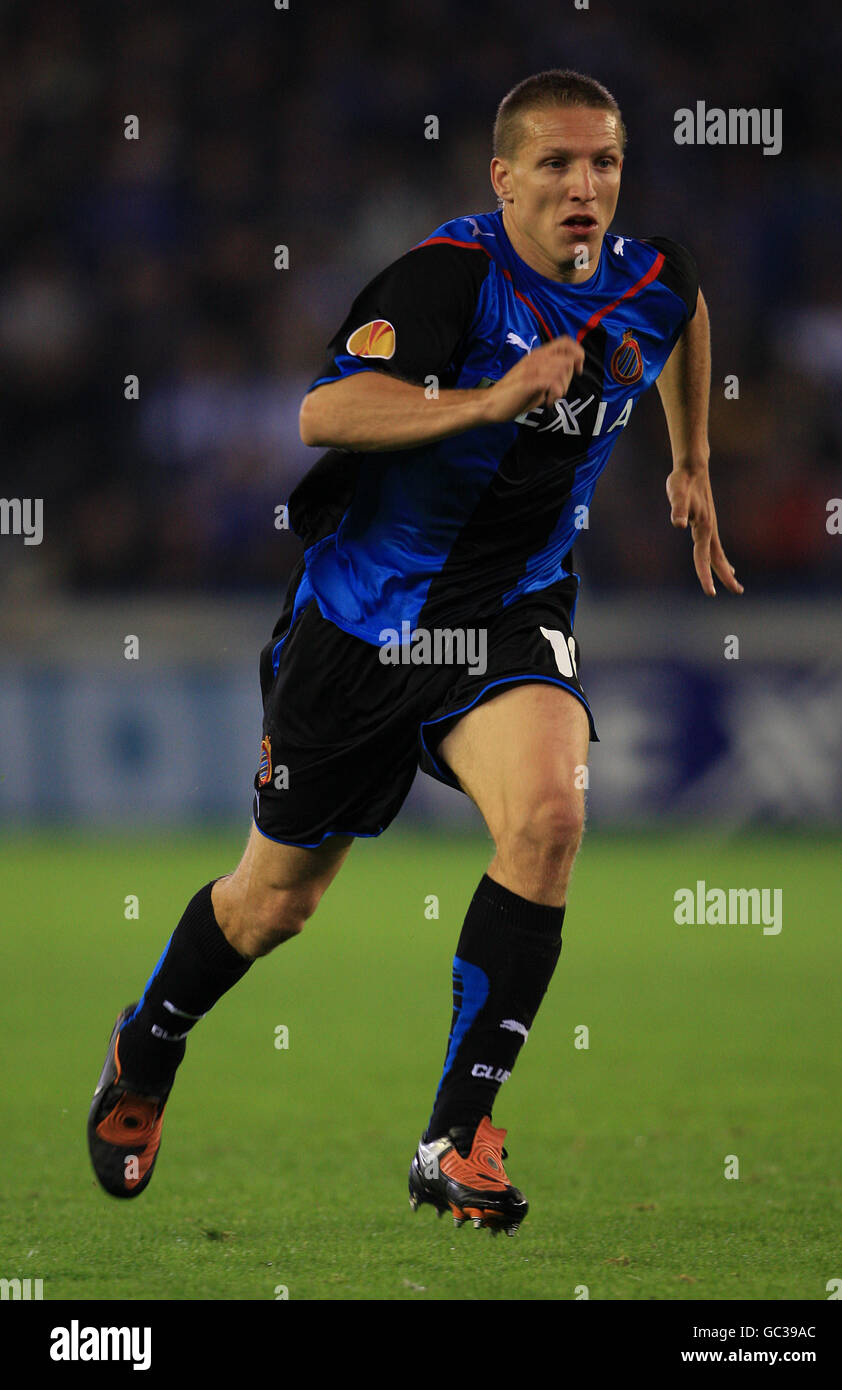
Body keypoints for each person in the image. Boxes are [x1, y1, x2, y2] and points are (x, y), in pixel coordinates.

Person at [88, 69, 742, 1234]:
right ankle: (147, 1043)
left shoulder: (649, 272)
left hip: (509, 613)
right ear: (503, 178)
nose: (582, 186)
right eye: (554, 165)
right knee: (274, 904)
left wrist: (691, 458)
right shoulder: (447, 279)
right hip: (360, 628)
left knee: (548, 816)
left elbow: (685, 310)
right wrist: (486, 401)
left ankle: (453, 1136)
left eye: (602, 163)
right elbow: (325, 414)